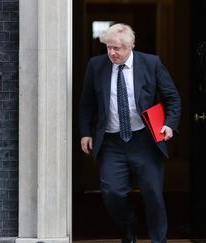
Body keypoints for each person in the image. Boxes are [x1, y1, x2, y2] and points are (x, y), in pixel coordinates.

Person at [78, 23, 181, 243]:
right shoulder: (96, 66)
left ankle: (158, 240)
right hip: (111, 142)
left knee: (153, 194)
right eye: (108, 48)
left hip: (144, 139)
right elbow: (86, 103)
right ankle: (128, 222)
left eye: (117, 48)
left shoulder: (151, 63)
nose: (111, 53)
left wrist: (169, 124)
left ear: (130, 47)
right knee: (112, 192)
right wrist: (85, 132)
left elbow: (172, 98)